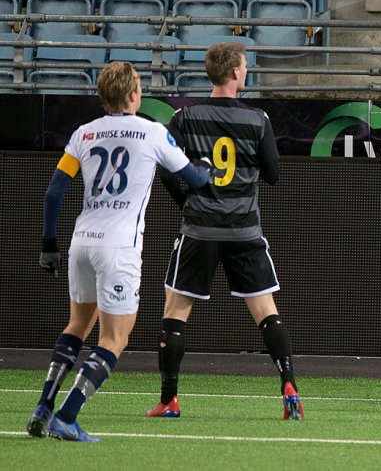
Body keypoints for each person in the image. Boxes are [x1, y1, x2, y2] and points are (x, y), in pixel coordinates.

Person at [28, 61, 212, 442]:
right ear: (133, 94)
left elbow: (53, 193)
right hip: (118, 247)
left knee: (77, 325)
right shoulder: (152, 132)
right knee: (115, 339)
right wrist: (206, 168)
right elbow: (194, 180)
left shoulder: (84, 133)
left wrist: (49, 245)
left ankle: (44, 406)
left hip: (82, 241)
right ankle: (67, 416)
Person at [145, 42, 303, 420]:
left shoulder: (185, 118)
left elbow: (167, 168)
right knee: (266, 312)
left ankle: (169, 400)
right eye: (245, 67)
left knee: (175, 312)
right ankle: (289, 387)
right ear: (234, 72)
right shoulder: (258, 119)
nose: (246, 72)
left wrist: (187, 201)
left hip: (199, 229)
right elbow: (275, 175)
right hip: (244, 230)